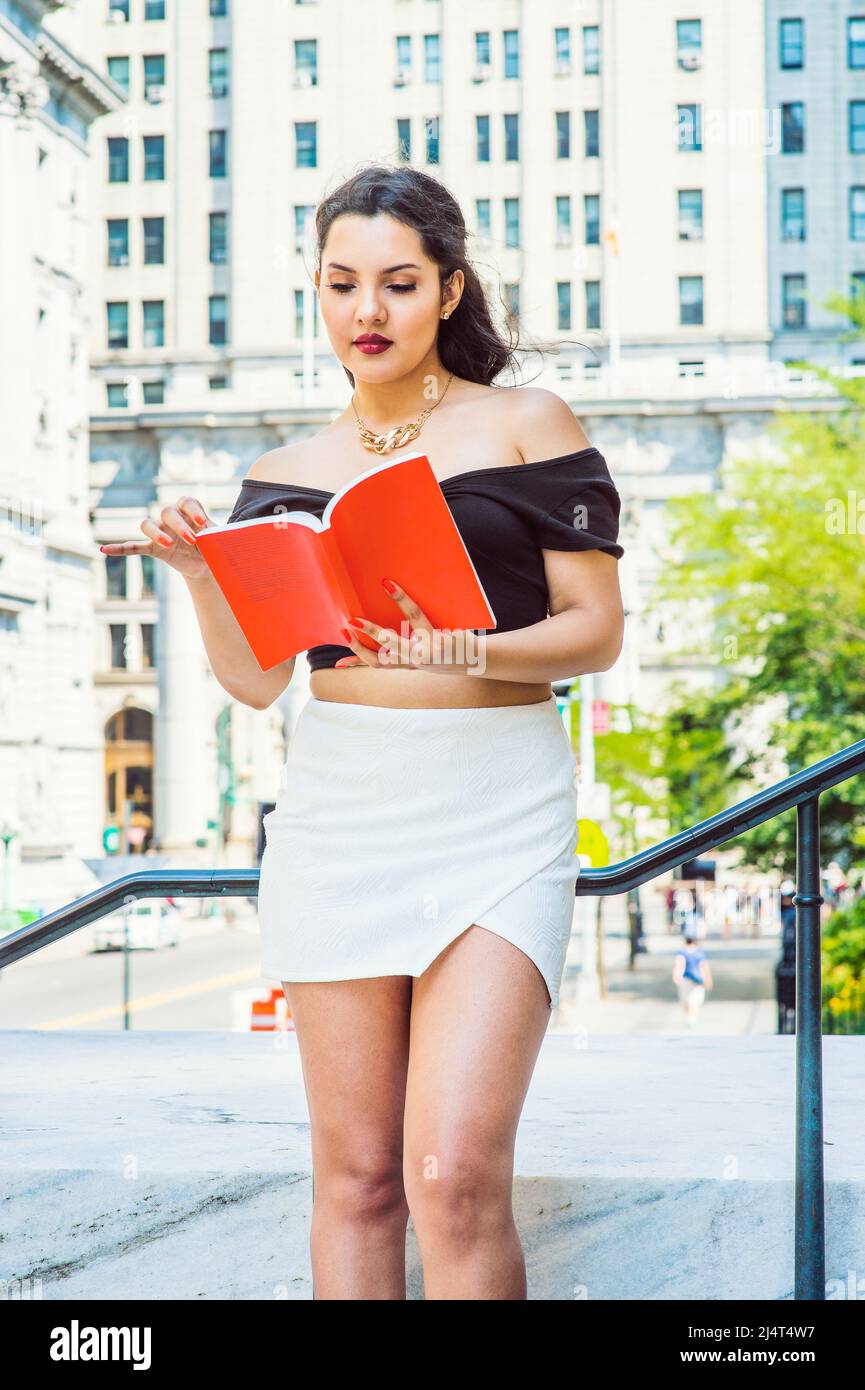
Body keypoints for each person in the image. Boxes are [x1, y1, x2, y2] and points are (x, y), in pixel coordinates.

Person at [99, 164, 625, 1300]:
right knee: (357, 1180)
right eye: (342, 285)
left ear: (447, 290)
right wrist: (199, 577)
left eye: (397, 284)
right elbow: (256, 679)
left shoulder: (526, 425)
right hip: (342, 812)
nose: (366, 313)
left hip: (499, 804)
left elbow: (595, 631)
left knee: (457, 1179)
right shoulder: (284, 475)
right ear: (318, 294)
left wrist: (467, 649)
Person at [672, 932, 713, 1027]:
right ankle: (692, 1017)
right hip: (698, 980)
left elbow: (678, 964)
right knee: (695, 999)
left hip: (685, 979)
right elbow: (704, 967)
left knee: (685, 999)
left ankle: (688, 1017)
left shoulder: (681, 952)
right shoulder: (700, 953)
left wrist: (676, 976)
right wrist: (708, 980)